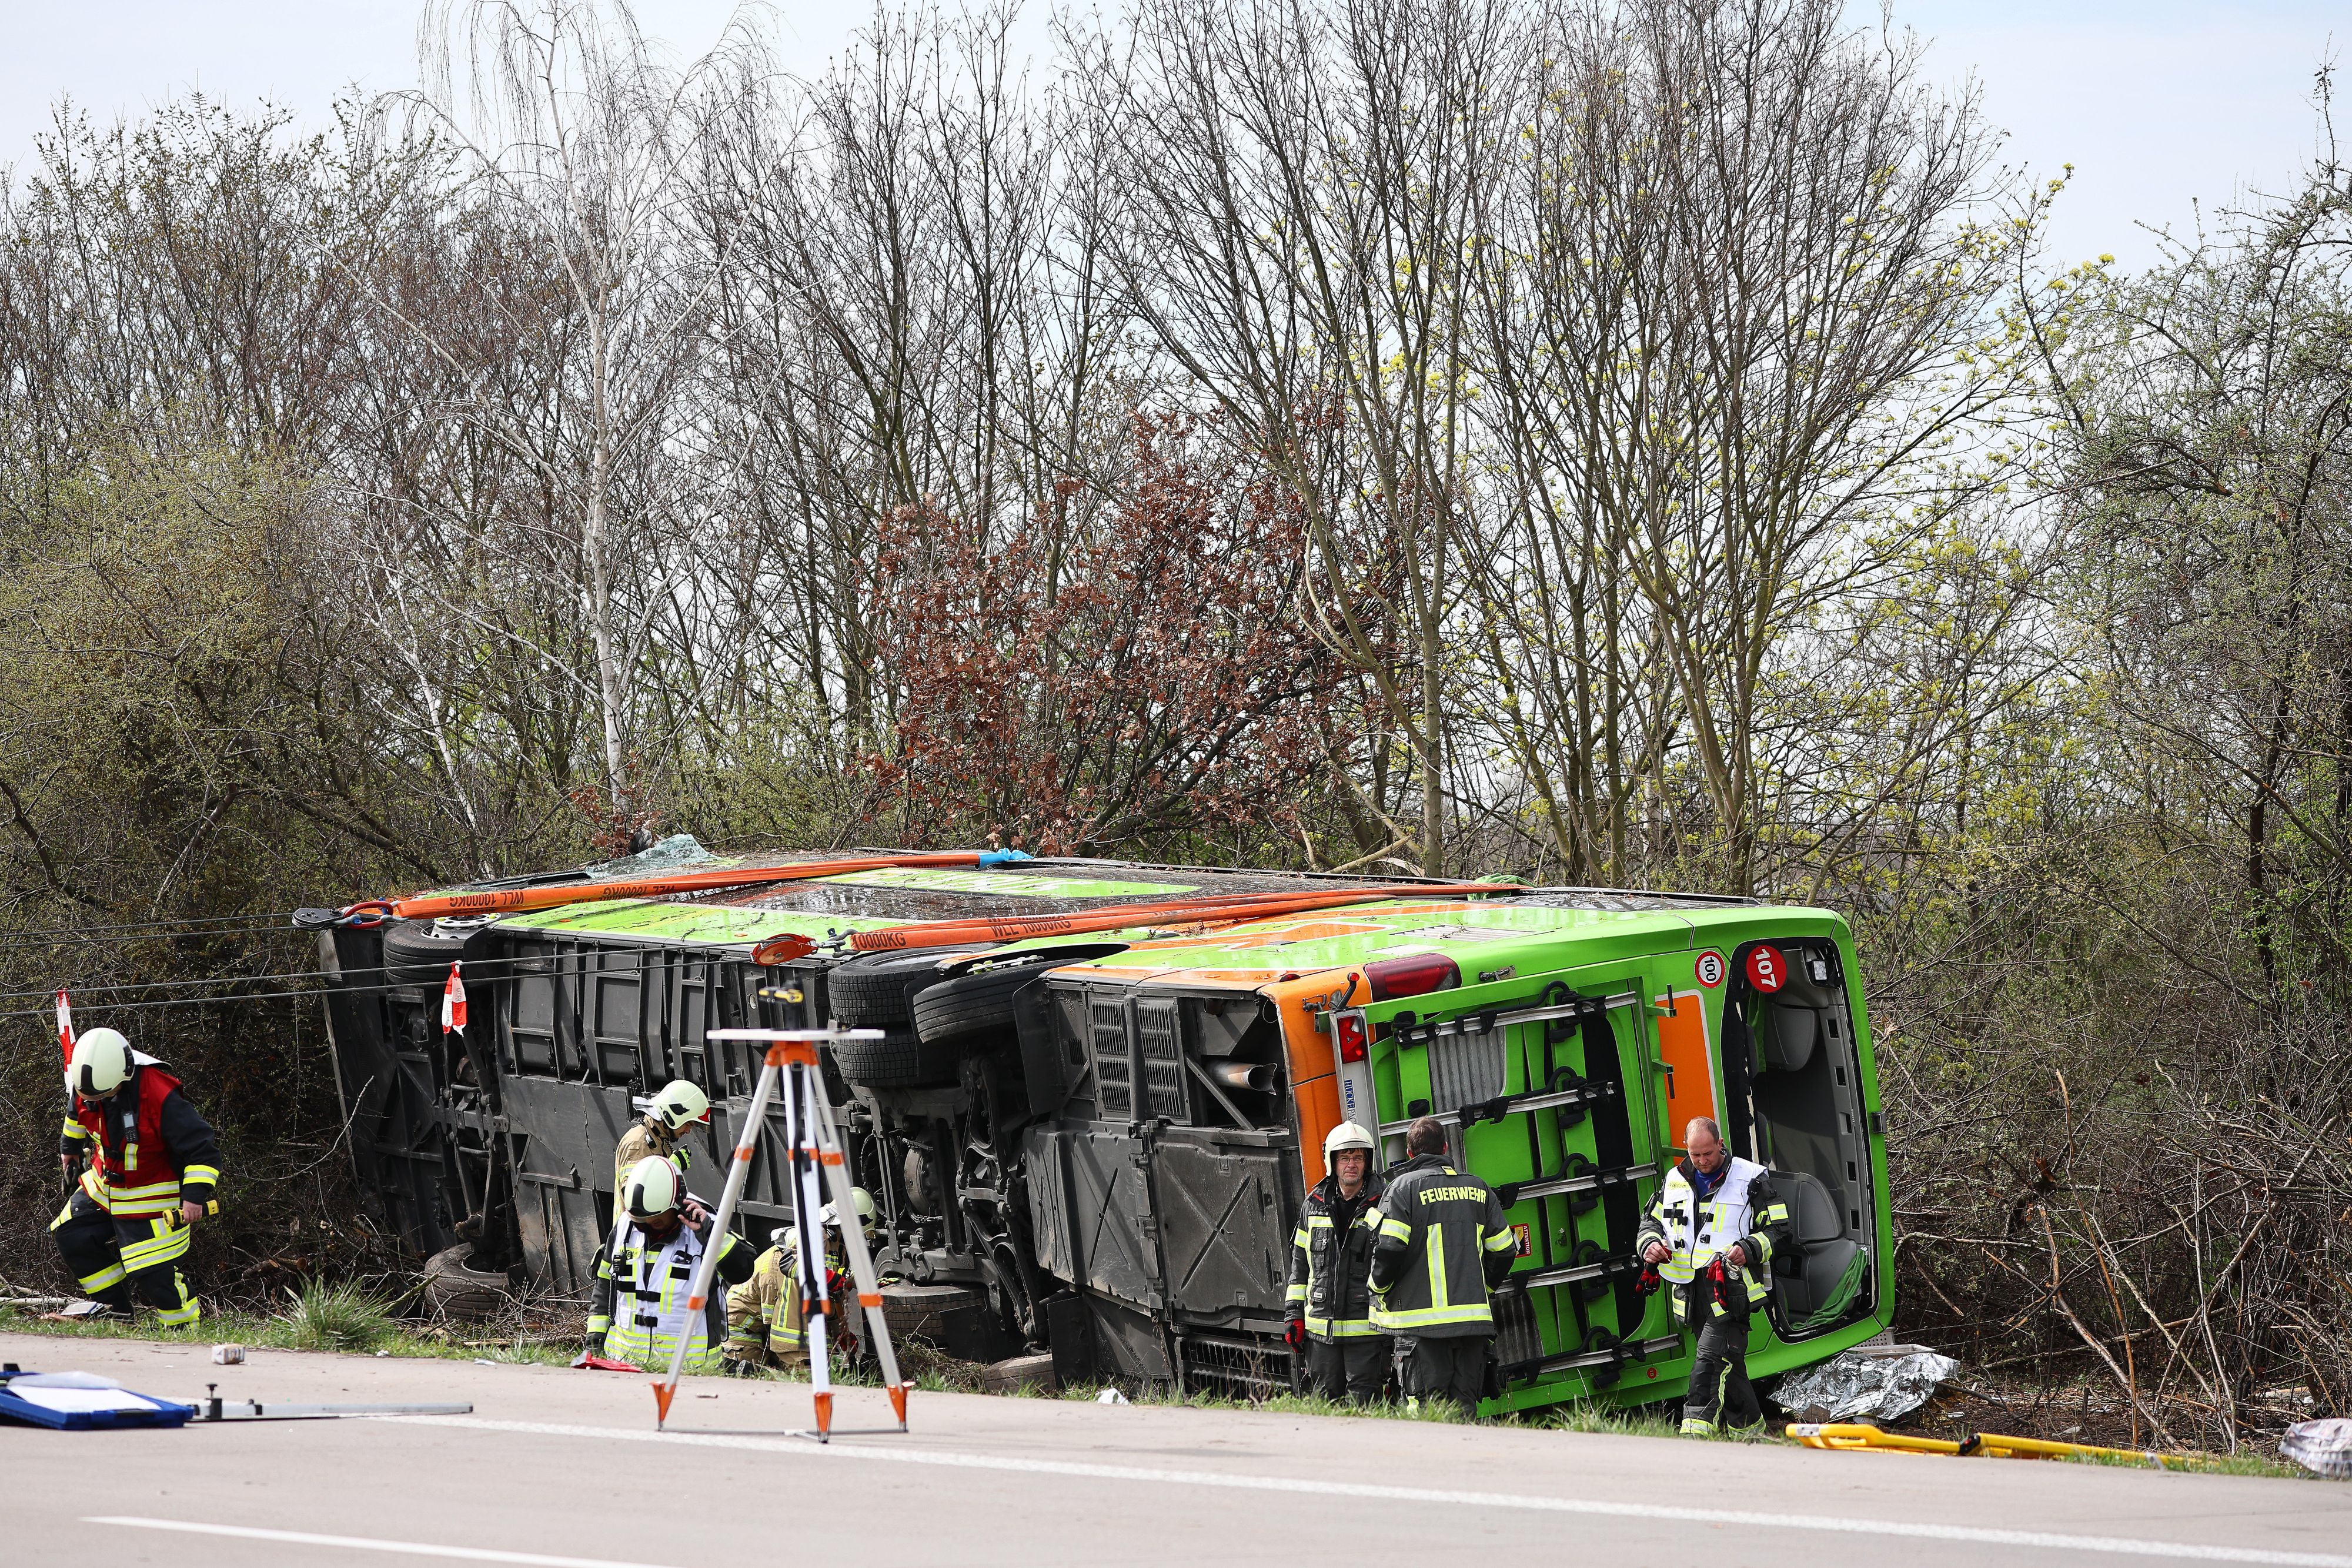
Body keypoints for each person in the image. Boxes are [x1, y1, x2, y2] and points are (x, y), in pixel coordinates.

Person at [50, 1027, 220, 1327]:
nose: (96, 1100)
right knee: (72, 1235)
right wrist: (70, 1150)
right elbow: (76, 1112)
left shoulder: (160, 1096)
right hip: (103, 1188)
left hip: (152, 1198)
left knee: (154, 1272)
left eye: (104, 1095)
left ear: (124, 1075)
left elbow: (202, 1150)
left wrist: (194, 1196)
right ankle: (115, 1313)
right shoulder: (87, 1084)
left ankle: (184, 1330)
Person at [1637, 1116, 1794, 1437]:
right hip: (1691, 1291)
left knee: (1709, 1361)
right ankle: (1751, 1435)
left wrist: (1748, 1249)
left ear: (1720, 1144)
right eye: (1695, 1154)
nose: (1702, 1161)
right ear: (1686, 1148)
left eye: (1708, 1153)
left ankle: (1694, 1434)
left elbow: (1781, 1231)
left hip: (1733, 1289)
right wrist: (1650, 1244)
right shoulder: (1674, 1180)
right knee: (1729, 1364)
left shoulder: (1752, 1177)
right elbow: (1650, 1223)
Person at [1368, 1116, 1518, 1415]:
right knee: (1464, 1407)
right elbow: (1504, 1251)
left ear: (1410, 1153)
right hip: (1472, 1325)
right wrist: (1483, 1288)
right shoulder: (1478, 1188)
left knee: (1428, 1411)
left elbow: (1390, 1248)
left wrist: (1378, 1287)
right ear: (1446, 1148)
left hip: (1422, 1328)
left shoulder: (1402, 1189)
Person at [584, 1156, 752, 1374]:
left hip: (691, 1369)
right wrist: (594, 1340)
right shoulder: (625, 1227)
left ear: (677, 1206)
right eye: (641, 1223)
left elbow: (742, 1270)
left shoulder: (706, 1227)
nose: (647, 1228)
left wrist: (710, 1234)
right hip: (623, 1363)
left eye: (656, 1221)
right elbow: (604, 1285)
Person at [1284, 1121, 1390, 1403]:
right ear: (1333, 1162)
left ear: (1367, 1162)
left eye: (1358, 1158)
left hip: (1367, 1332)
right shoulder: (1314, 1204)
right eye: (1345, 1158)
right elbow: (1300, 1267)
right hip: (1322, 1333)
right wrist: (1293, 1314)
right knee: (1324, 1406)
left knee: (1366, 1406)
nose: (1351, 1165)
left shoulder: (1385, 1203)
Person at [757, 1188, 880, 1372]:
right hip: (797, 1337)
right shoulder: (817, 1234)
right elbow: (789, 1263)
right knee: (805, 1385)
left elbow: (832, 1297)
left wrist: (842, 1335)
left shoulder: (838, 1248)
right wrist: (827, 1277)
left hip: (813, 1338)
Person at [613, 1079, 711, 1199]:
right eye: (687, 1124)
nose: (688, 1131)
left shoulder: (658, 1139)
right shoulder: (638, 1143)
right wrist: (671, 1167)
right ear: (671, 1116)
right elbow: (634, 1196)